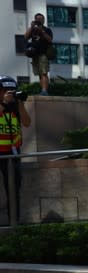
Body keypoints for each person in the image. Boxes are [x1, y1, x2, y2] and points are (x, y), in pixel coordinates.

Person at [0, 76, 31, 224]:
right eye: (5, 91)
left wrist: (20, 104)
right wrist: (4, 104)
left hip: (13, 154)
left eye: (12, 91)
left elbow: (27, 123)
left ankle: (15, 220)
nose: (9, 94)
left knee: (14, 188)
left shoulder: (16, 106)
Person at [23, 13, 52, 96]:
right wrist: (32, 27)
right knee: (39, 73)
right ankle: (42, 90)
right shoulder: (33, 29)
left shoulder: (47, 30)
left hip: (43, 54)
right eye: (37, 19)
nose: (39, 20)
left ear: (44, 20)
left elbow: (50, 40)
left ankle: (44, 91)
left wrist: (41, 31)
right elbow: (25, 37)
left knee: (44, 73)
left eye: (41, 19)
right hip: (35, 54)